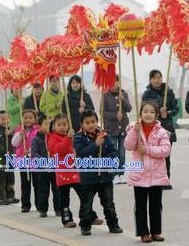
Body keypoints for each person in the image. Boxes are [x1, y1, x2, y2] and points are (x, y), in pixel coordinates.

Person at [124, 101, 171, 243]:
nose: (148, 114)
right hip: (139, 174)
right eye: (145, 111)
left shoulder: (161, 132)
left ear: (156, 115)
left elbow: (166, 150)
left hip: (156, 175)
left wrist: (148, 150)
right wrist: (134, 131)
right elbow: (128, 145)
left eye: (151, 112)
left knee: (156, 205)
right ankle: (143, 232)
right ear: (140, 114)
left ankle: (156, 231)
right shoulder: (134, 129)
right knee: (140, 206)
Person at [47, 113, 102, 228]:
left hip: (75, 172)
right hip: (62, 174)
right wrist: (68, 139)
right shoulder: (52, 139)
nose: (62, 127)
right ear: (54, 127)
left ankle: (89, 215)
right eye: (59, 125)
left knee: (84, 196)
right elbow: (58, 150)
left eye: (64, 124)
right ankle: (67, 218)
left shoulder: (73, 136)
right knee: (64, 199)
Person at [74, 110, 123, 236]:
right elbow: (81, 154)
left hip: (105, 177)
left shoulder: (104, 135)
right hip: (88, 177)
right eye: (87, 122)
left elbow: (113, 151)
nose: (91, 125)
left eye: (93, 121)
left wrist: (109, 160)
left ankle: (113, 224)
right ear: (82, 124)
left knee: (109, 203)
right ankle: (85, 226)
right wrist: (95, 145)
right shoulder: (78, 138)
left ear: (97, 121)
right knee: (86, 204)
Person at [141, 70, 178, 190]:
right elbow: (145, 110)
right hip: (151, 128)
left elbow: (176, 108)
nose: (157, 80)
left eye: (159, 77)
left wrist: (168, 112)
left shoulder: (169, 91)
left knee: (165, 155)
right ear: (150, 80)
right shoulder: (147, 94)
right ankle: (152, 180)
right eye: (154, 78)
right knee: (152, 155)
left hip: (166, 127)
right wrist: (157, 112)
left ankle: (165, 180)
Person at [31, 113, 60, 218]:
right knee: (43, 190)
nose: (48, 126)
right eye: (45, 124)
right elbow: (34, 154)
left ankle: (59, 209)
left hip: (54, 168)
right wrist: (44, 161)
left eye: (50, 124)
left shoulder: (55, 137)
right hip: (42, 169)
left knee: (57, 189)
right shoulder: (36, 139)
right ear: (39, 126)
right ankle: (42, 209)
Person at [104, 75, 132, 184]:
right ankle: (115, 174)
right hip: (111, 128)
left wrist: (123, 100)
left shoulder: (123, 93)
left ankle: (121, 173)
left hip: (123, 128)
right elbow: (103, 112)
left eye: (115, 82)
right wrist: (115, 115)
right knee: (114, 152)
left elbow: (129, 108)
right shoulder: (105, 95)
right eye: (111, 82)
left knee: (122, 152)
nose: (114, 84)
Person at [12, 109, 39, 212]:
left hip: (35, 161)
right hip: (23, 160)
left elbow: (39, 144)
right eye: (25, 118)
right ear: (22, 119)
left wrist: (31, 151)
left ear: (35, 119)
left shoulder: (38, 130)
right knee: (25, 184)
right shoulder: (19, 130)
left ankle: (39, 204)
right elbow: (14, 143)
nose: (28, 120)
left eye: (30, 118)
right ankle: (25, 204)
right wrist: (19, 135)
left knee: (37, 184)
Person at [0, 110, 19, 205]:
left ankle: (10, 196)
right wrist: (2, 150)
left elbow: (15, 142)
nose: (4, 121)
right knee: (0, 179)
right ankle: (1, 198)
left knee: (10, 177)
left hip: (10, 158)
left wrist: (10, 135)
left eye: (6, 119)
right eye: (2, 119)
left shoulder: (10, 131)